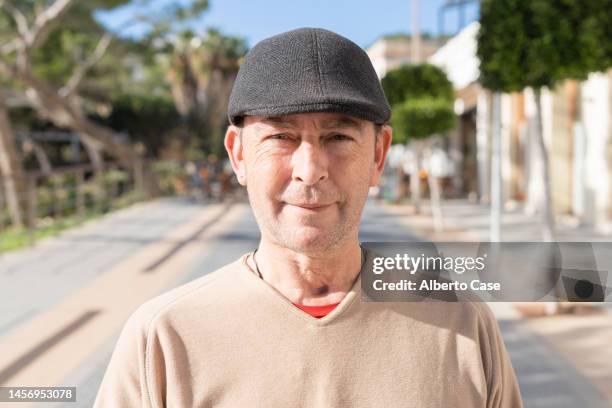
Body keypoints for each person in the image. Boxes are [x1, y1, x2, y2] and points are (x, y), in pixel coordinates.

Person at [94, 27, 523, 407]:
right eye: (281, 136)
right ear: (238, 154)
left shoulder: (462, 322)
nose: (310, 168)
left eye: (337, 137)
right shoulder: (165, 339)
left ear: (378, 154)